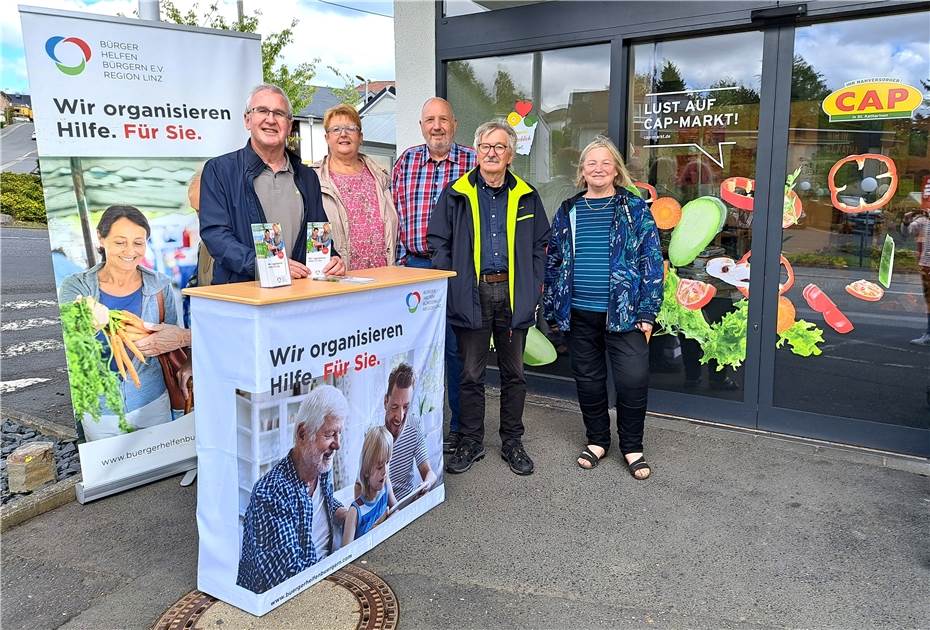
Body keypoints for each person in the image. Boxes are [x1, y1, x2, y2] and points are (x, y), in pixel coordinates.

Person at [428, 120, 550, 476]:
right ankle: (471, 440)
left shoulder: (526, 195)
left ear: (510, 154)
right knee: (470, 374)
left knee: (515, 375)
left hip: (512, 294)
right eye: (486, 146)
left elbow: (541, 246)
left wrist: (532, 285)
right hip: (472, 293)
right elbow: (438, 241)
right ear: (476, 152)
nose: (492, 152)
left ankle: (512, 440)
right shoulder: (456, 193)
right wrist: (453, 282)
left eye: (499, 147)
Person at [543, 136, 663, 478]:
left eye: (605, 163)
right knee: (589, 379)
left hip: (625, 314)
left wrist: (647, 312)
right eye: (591, 163)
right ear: (582, 171)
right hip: (579, 313)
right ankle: (597, 439)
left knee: (633, 380)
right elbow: (554, 262)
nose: (598, 169)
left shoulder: (634, 208)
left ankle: (631, 446)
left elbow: (651, 262)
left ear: (616, 170)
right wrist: (553, 309)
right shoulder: (569, 210)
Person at [59, 205, 192, 441]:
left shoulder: (160, 286)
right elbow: (69, 338)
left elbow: (173, 340)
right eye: (120, 242)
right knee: (112, 475)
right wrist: (88, 324)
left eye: (138, 242)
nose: (130, 250)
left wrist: (189, 359)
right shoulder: (75, 287)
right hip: (99, 409)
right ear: (101, 239)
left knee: (159, 470)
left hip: (152, 401)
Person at [393, 97, 477, 454]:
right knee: (413, 353)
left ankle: (459, 429)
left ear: (455, 124)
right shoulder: (407, 161)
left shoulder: (474, 161)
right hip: (413, 269)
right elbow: (393, 215)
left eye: (443, 119)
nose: (437, 126)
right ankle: (415, 431)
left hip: (457, 271)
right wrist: (399, 264)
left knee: (457, 351)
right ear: (421, 125)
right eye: (430, 120)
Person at [199, 83, 346, 284]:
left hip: (298, 297)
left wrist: (332, 259)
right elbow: (216, 235)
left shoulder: (307, 176)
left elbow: (317, 234)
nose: (270, 119)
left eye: (279, 113)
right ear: (247, 120)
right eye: (262, 111)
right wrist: (266, 265)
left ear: (289, 123)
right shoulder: (220, 171)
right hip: (245, 298)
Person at [236, 385, 348, 594]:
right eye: (331, 434)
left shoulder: (321, 467)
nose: (337, 444)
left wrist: (342, 512)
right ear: (303, 433)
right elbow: (289, 579)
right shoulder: (270, 495)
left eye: (339, 433)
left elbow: (324, 504)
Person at [313, 104, 398, 271]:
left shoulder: (381, 177)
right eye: (336, 129)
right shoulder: (313, 179)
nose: (343, 134)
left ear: (361, 137)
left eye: (351, 128)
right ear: (327, 137)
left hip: (384, 278)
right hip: (339, 280)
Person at [379, 362, 436, 500]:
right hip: (382, 507)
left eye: (406, 407)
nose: (400, 416)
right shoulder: (376, 435)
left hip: (409, 501)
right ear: (386, 402)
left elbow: (428, 472)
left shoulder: (414, 426)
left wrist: (426, 484)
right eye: (394, 407)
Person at [342, 425, 396, 545]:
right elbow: (345, 555)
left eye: (387, 462)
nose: (385, 471)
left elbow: (397, 512)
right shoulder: (355, 512)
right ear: (366, 471)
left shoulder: (386, 486)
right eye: (379, 466)